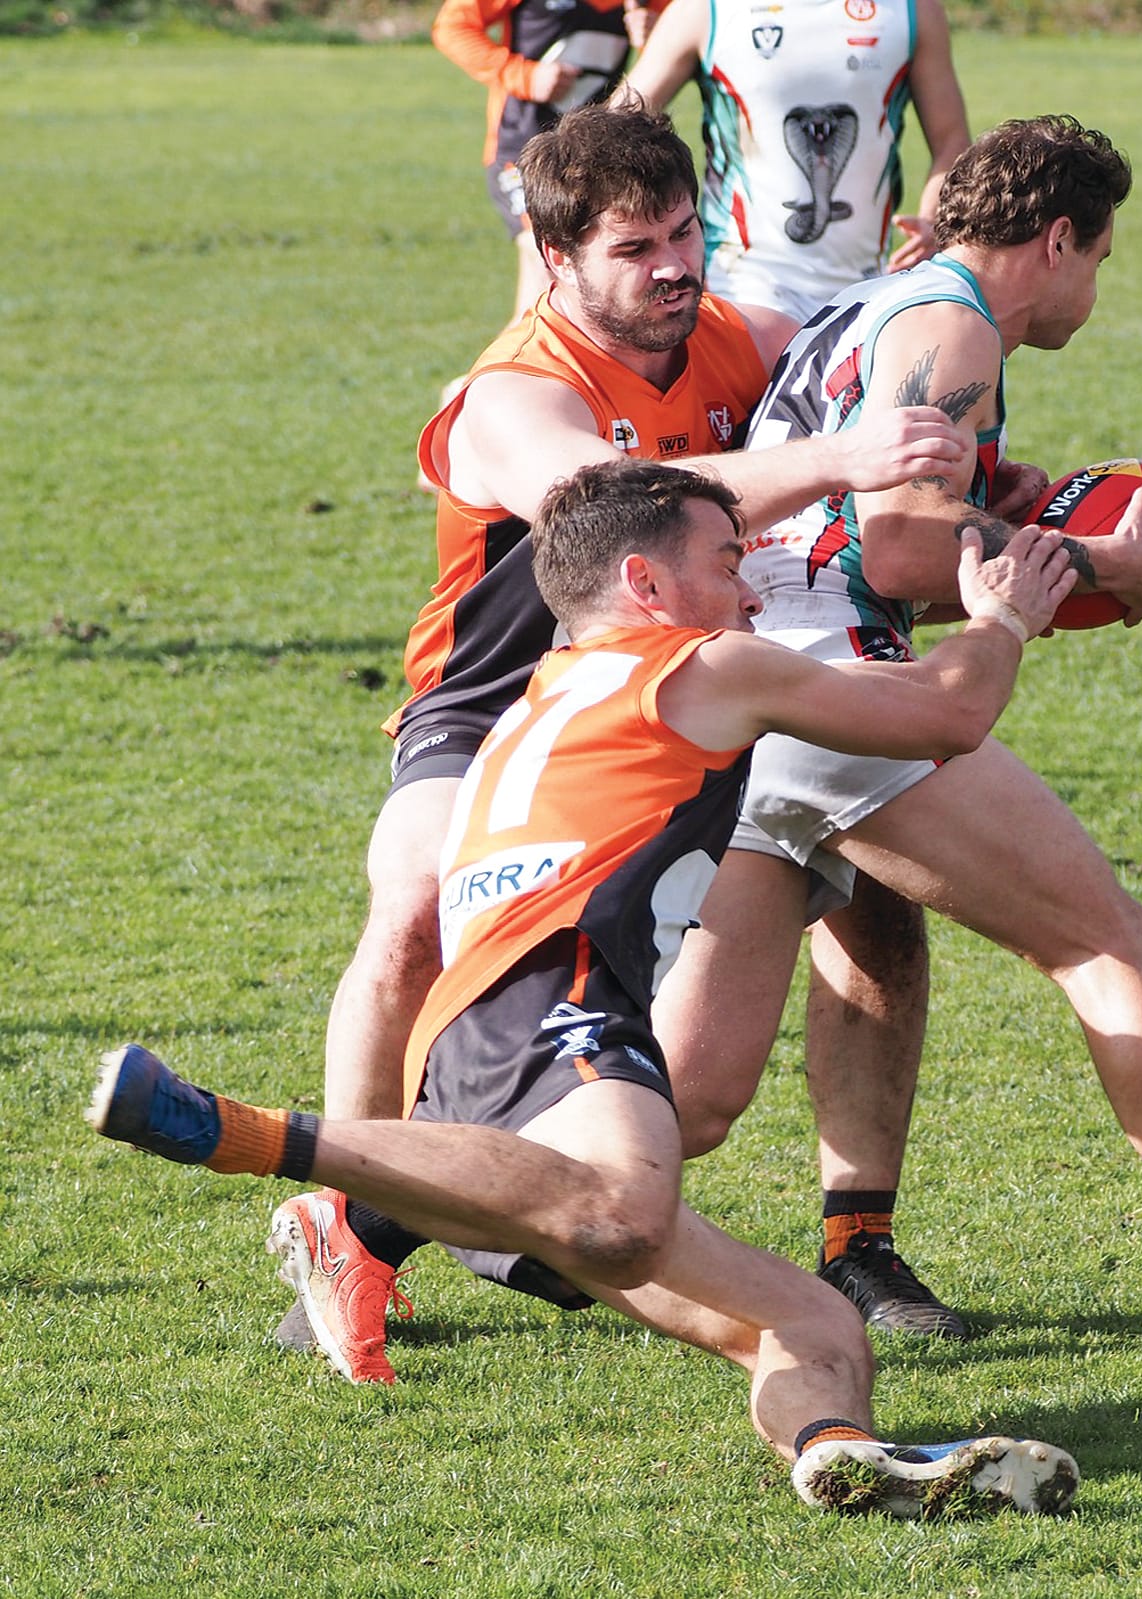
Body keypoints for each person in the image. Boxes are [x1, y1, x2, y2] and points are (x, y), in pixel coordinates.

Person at [90, 459, 1084, 1522]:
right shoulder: (700, 664)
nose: (752, 595)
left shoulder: (553, 685)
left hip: (486, 1036)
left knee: (813, 1325)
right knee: (623, 1215)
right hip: (549, 997)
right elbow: (947, 713)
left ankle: (845, 1457)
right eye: (729, 563)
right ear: (645, 583)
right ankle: (237, 1134)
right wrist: (1002, 616)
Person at [650, 115, 1142, 1364]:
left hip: (751, 695)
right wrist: (1097, 563)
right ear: (1057, 239)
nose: (1098, 287)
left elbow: (869, 508)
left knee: (689, 1096)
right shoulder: (954, 328)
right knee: (1108, 939)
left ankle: (385, 1208)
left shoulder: (873, 302)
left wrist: (1010, 509)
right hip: (838, 689)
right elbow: (902, 550)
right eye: (1102, 258)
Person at [292, 101, 971, 1348]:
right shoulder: (510, 392)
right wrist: (841, 457)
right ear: (555, 259)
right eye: (632, 248)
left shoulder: (734, 339)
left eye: (682, 233)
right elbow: (609, 502)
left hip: (688, 688)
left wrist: (983, 474)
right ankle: (351, 1225)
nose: (671, 267)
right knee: (416, 907)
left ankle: (859, 1244)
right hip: (501, 702)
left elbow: (864, 372)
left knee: (874, 890)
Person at [619, 0, 979, 1338]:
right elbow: (617, 138)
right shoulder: (706, 11)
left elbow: (956, 157)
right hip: (757, 331)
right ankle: (432, 1200)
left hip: (867, 333)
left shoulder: (907, 11)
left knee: (876, 903)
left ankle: (859, 1243)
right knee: (695, 1057)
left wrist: (933, 236)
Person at [619, 0, 972, 319]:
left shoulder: (911, 10)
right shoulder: (706, 10)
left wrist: (933, 220)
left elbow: (951, 140)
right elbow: (613, 132)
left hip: (868, 290)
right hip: (742, 286)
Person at [433, 0, 669, 325]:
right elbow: (452, 27)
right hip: (522, 152)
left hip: (593, 160)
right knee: (547, 267)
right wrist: (525, 75)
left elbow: (684, 39)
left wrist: (656, 31)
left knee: (562, 296)